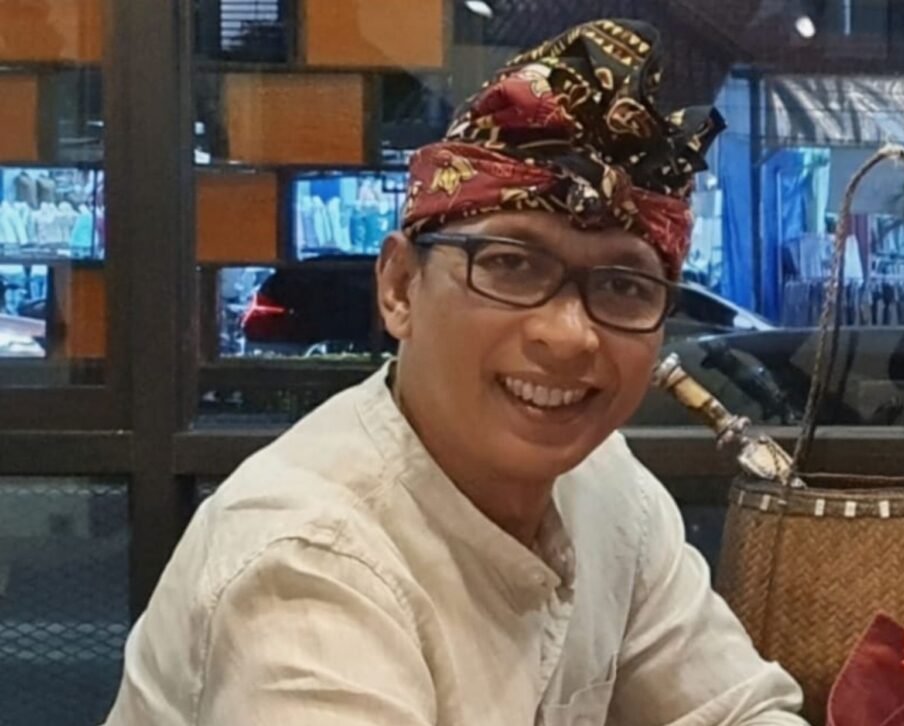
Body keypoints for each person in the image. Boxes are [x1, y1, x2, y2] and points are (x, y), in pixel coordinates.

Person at [103, 19, 806, 726]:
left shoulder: (606, 488)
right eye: (511, 264)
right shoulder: (308, 560)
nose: (568, 335)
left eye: (624, 285)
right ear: (400, 288)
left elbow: (739, 710)